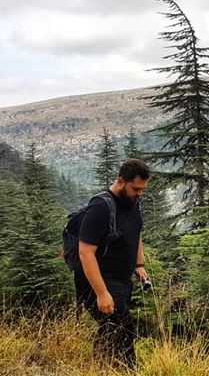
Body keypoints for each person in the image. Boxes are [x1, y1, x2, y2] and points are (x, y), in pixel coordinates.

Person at [74, 158, 150, 369]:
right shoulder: (100, 207)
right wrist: (101, 293)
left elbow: (136, 232)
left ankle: (98, 367)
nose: (139, 193)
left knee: (111, 326)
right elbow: (85, 252)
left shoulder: (133, 202)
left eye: (143, 189)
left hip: (122, 280)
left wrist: (139, 264)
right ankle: (129, 370)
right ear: (121, 181)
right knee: (123, 328)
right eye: (136, 188)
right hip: (98, 280)